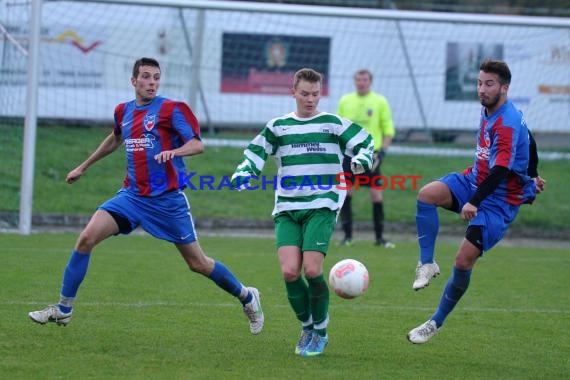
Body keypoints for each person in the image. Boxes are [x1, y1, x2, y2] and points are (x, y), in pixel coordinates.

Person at [28, 57, 264, 335]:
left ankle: (247, 296)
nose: (152, 82)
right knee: (86, 239)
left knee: (198, 263)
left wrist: (174, 152)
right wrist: (84, 166)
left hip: (167, 201)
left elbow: (197, 145)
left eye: (156, 77)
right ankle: (63, 309)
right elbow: (116, 137)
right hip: (131, 197)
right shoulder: (123, 111)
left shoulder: (171, 109)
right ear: (134, 81)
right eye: (146, 77)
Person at [231, 68, 374, 356]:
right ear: (293, 92)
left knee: (311, 269)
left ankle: (320, 329)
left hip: (323, 203)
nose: (310, 99)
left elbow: (366, 142)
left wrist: (361, 160)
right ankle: (307, 326)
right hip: (287, 206)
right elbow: (255, 153)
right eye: (305, 94)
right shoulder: (278, 127)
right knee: (289, 272)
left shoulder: (332, 124)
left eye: (316, 94)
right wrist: (244, 172)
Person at [407, 59, 545, 344]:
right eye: (480, 83)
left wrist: (474, 201)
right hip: (474, 180)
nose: (482, 89)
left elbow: (501, 169)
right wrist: (533, 174)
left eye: (489, 84)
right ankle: (427, 263)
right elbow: (529, 139)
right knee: (426, 195)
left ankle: (435, 322)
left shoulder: (506, 123)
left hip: (497, 200)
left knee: (462, 261)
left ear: (504, 88)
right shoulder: (495, 110)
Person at [337, 69, 396, 248]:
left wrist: (383, 152)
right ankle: (347, 237)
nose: (361, 82)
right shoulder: (345, 101)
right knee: (346, 194)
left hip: (371, 155)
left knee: (376, 196)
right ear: (355, 81)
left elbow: (388, 129)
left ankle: (379, 238)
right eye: (358, 79)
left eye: (364, 80)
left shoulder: (379, 101)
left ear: (370, 82)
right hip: (349, 154)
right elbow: (339, 127)